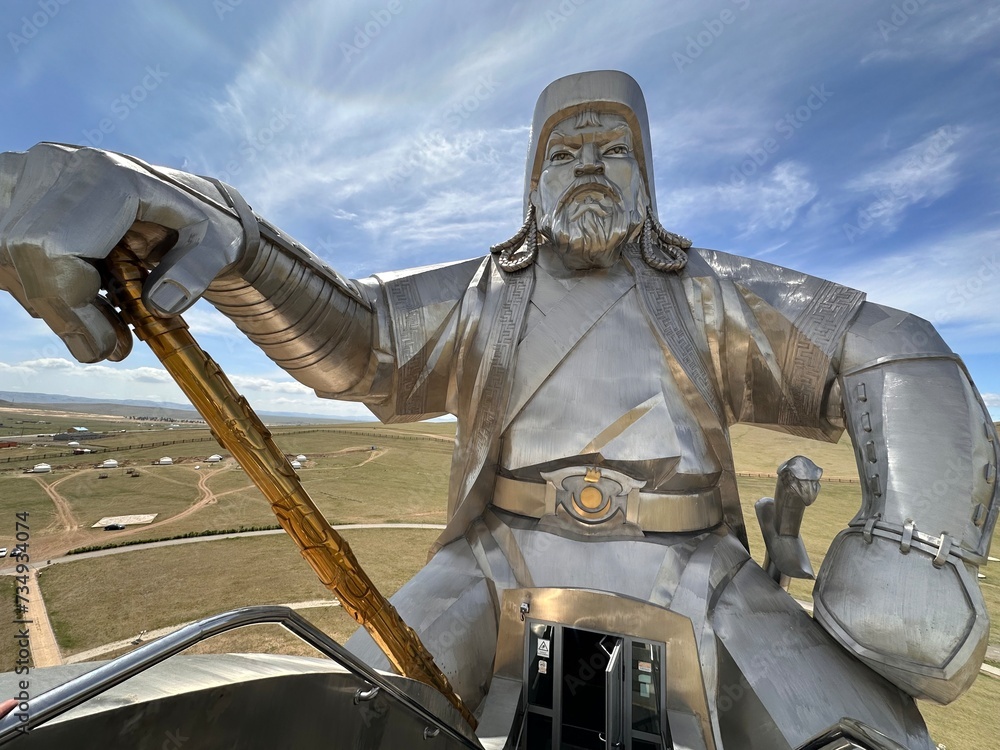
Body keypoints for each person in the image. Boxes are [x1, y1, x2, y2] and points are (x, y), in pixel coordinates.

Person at [0, 71, 995, 748]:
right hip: (493, 560)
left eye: (615, 145)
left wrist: (920, 536)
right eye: (567, 149)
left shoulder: (708, 289)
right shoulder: (483, 293)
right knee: (353, 710)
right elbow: (357, 346)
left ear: (648, 172)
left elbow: (886, 343)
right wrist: (216, 220)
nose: (592, 161)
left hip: (696, 566)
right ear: (532, 175)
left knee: (860, 731)